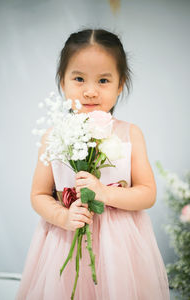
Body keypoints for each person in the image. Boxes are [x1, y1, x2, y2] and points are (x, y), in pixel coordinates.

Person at [16, 28, 170, 299]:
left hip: (120, 247)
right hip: (66, 238)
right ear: (62, 82)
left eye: (103, 80)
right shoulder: (53, 136)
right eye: (78, 79)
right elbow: (38, 195)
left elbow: (148, 193)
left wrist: (105, 192)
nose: (90, 91)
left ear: (120, 84)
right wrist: (63, 216)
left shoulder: (129, 133)